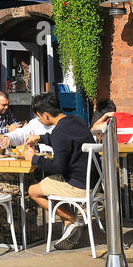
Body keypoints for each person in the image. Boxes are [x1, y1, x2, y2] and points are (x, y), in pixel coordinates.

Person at [23, 93, 96, 249]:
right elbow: (63, 140)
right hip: (93, 183)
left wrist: (34, 159)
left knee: (33, 190)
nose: (39, 121)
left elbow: (58, 167)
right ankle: (69, 226)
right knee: (51, 182)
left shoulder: (60, 132)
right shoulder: (76, 121)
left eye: (39, 117)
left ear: (46, 115)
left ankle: (73, 220)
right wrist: (40, 138)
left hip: (78, 186)